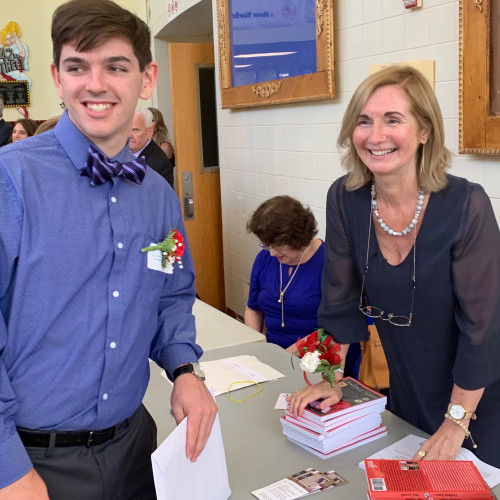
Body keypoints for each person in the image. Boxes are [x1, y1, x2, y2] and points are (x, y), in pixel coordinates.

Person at [0, 1, 217, 499]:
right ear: (57, 77)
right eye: (78, 67)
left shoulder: (159, 199)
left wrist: (185, 370)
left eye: (116, 67)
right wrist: (7, 469)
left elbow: (170, 294)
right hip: (32, 464)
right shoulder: (10, 180)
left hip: (136, 449)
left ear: (146, 78)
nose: (96, 85)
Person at [288, 65, 500, 468]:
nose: (376, 135)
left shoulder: (467, 205)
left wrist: (456, 423)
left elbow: (483, 329)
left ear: (424, 131)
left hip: (480, 396)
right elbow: (339, 298)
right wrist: (333, 381)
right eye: (364, 121)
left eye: (393, 120)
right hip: (408, 388)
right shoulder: (345, 198)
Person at [245, 195, 325, 349]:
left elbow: (335, 329)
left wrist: (286, 356)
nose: (272, 253)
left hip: (317, 355)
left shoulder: (329, 264)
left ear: (298, 238)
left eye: (278, 246)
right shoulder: (265, 258)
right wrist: (256, 347)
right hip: (273, 351)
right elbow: (253, 309)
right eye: (267, 245)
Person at [130, 107, 174, 188]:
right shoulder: (118, 154)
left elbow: (163, 199)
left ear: (149, 132)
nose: (129, 135)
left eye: (135, 130)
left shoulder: (160, 164)